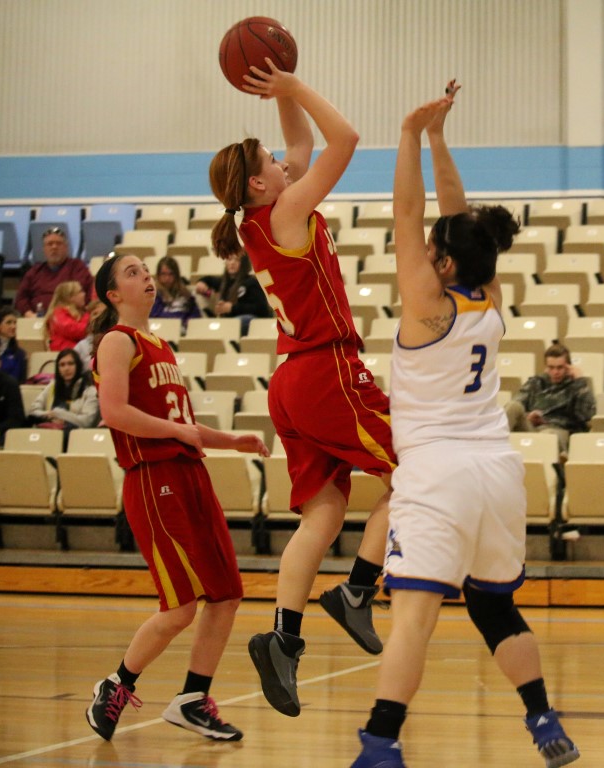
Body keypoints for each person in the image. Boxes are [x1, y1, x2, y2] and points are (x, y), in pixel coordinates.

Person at [348, 86, 579, 768]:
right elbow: (453, 217)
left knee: (413, 617)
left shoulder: (428, 305)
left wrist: (409, 134)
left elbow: (408, 210)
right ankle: (542, 717)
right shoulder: (489, 297)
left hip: (438, 473)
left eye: (431, 250)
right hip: (497, 473)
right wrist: (440, 138)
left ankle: (381, 745)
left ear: (442, 263)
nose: (422, 250)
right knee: (493, 608)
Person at [208, 62, 397, 717]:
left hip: (290, 381)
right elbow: (344, 140)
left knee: (324, 513)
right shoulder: (286, 208)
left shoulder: (260, 216)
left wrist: (282, 86)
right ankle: (357, 591)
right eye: (271, 160)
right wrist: (295, 89)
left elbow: (302, 145)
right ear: (261, 183)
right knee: (419, 472)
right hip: (326, 372)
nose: (285, 160)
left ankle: (283, 639)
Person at [84, 253, 269, 742]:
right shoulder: (117, 341)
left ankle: (192, 699)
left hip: (189, 475)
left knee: (226, 595)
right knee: (180, 606)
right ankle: (116, 685)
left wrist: (231, 440)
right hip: (153, 478)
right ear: (113, 294)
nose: (146, 275)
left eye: (146, 269)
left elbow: (181, 424)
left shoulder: (160, 345)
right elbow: (114, 412)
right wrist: (177, 433)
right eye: (132, 272)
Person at [504, 343, 596, 454]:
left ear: (569, 367)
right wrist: (528, 416)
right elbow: (518, 403)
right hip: (532, 428)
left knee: (548, 435)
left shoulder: (577, 386)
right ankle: (493, 446)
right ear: (546, 367)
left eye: (560, 367)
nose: (555, 372)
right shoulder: (536, 382)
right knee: (513, 406)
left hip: (558, 430)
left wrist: (580, 381)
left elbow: (587, 416)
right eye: (551, 368)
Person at [15, 226, 94, 318]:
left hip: (70, 318)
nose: (54, 247)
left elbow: (86, 295)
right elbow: (21, 298)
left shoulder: (77, 267)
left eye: (59, 243)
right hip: (36, 319)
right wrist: (29, 314)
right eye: (50, 244)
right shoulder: (34, 271)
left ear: (66, 248)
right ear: (44, 249)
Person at [193, 251, 272, 335]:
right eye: (229, 259)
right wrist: (201, 282)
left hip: (252, 321)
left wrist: (232, 308)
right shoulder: (224, 282)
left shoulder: (251, 283)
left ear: (244, 264)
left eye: (237, 260)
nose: (232, 263)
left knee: (240, 321)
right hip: (231, 322)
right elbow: (209, 279)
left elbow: (261, 309)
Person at [26, 348, 99, 431]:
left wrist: (59, 414)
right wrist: (49, 416)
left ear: (78, 365)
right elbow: (33, 411)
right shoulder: (52, 386)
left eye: (70, 364)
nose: (66, 368)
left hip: (76, 434)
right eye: (62, 365)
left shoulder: (90, 390)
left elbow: (86, 422)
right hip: (49, 431)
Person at [150, 255, 202, 330]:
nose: (167, 278)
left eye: (170, 274)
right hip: (162, 330)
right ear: (158, 276)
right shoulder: (154, 295)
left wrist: (187, 323)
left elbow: (196, 315)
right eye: (163, 274)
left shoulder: (186, 294)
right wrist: (176, 322)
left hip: (184, 330)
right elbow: (155, 317)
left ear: (176, 275)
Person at [43, 280, 90, 352]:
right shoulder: (57, 313)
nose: (84, 294)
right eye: (80, 292)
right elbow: (76, 331)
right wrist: (91, 320)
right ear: (70, 297)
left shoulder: (81, 312)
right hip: (65, 353)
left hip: (78, 351)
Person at [0, 308, 27, 382]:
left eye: (15, 323)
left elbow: (19, 380)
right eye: (8, 322)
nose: (13, 326)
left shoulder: (19, 354)